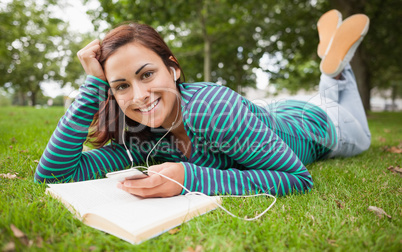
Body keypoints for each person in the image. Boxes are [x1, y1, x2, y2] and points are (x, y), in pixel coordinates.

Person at [34, 10, 371, 198]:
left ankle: (336, 72)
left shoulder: (211, 107)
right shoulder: (140, 136)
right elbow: (54, 175)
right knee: (315, 96)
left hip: (322, 126)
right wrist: (94, 85)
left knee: (352, 122)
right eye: (121, 86)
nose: (138, 96)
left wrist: (188, 177)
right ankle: (332, 67)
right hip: (276, 113)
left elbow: (297, 178)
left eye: (147, 75)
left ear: (174, 68)